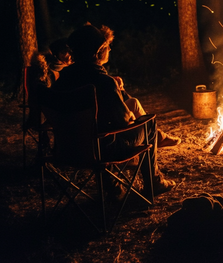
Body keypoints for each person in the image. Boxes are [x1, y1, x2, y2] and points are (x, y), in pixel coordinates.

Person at [50, 23, 175, 195]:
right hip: (101, 151)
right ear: (99, 50)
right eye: (107, 46)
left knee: (101, 132)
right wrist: (133, 114)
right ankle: (154, 182)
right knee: (148, 124)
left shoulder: (62, 80)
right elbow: (123, 121)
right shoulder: (103, 82)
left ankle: (112, 188)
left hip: (65, 150)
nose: (109, 49)